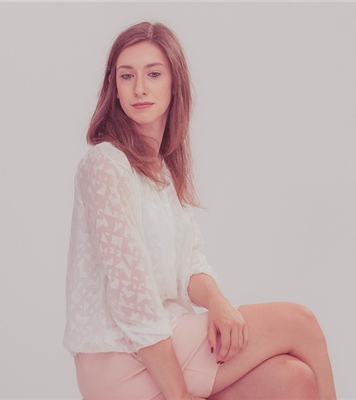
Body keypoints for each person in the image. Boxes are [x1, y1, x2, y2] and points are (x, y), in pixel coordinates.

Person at [64, 21, 337, 400]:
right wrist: (178, 396)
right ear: (114, 86)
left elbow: (191, 264)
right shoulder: (106, 163)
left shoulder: (161, 172)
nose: (139, 88)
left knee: (293, 380)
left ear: (175, 83)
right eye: (127, 76)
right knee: (300, 323)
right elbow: (133, 299)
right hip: (119, 355)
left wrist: (219, 303)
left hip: (161, 340)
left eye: (153, 74)